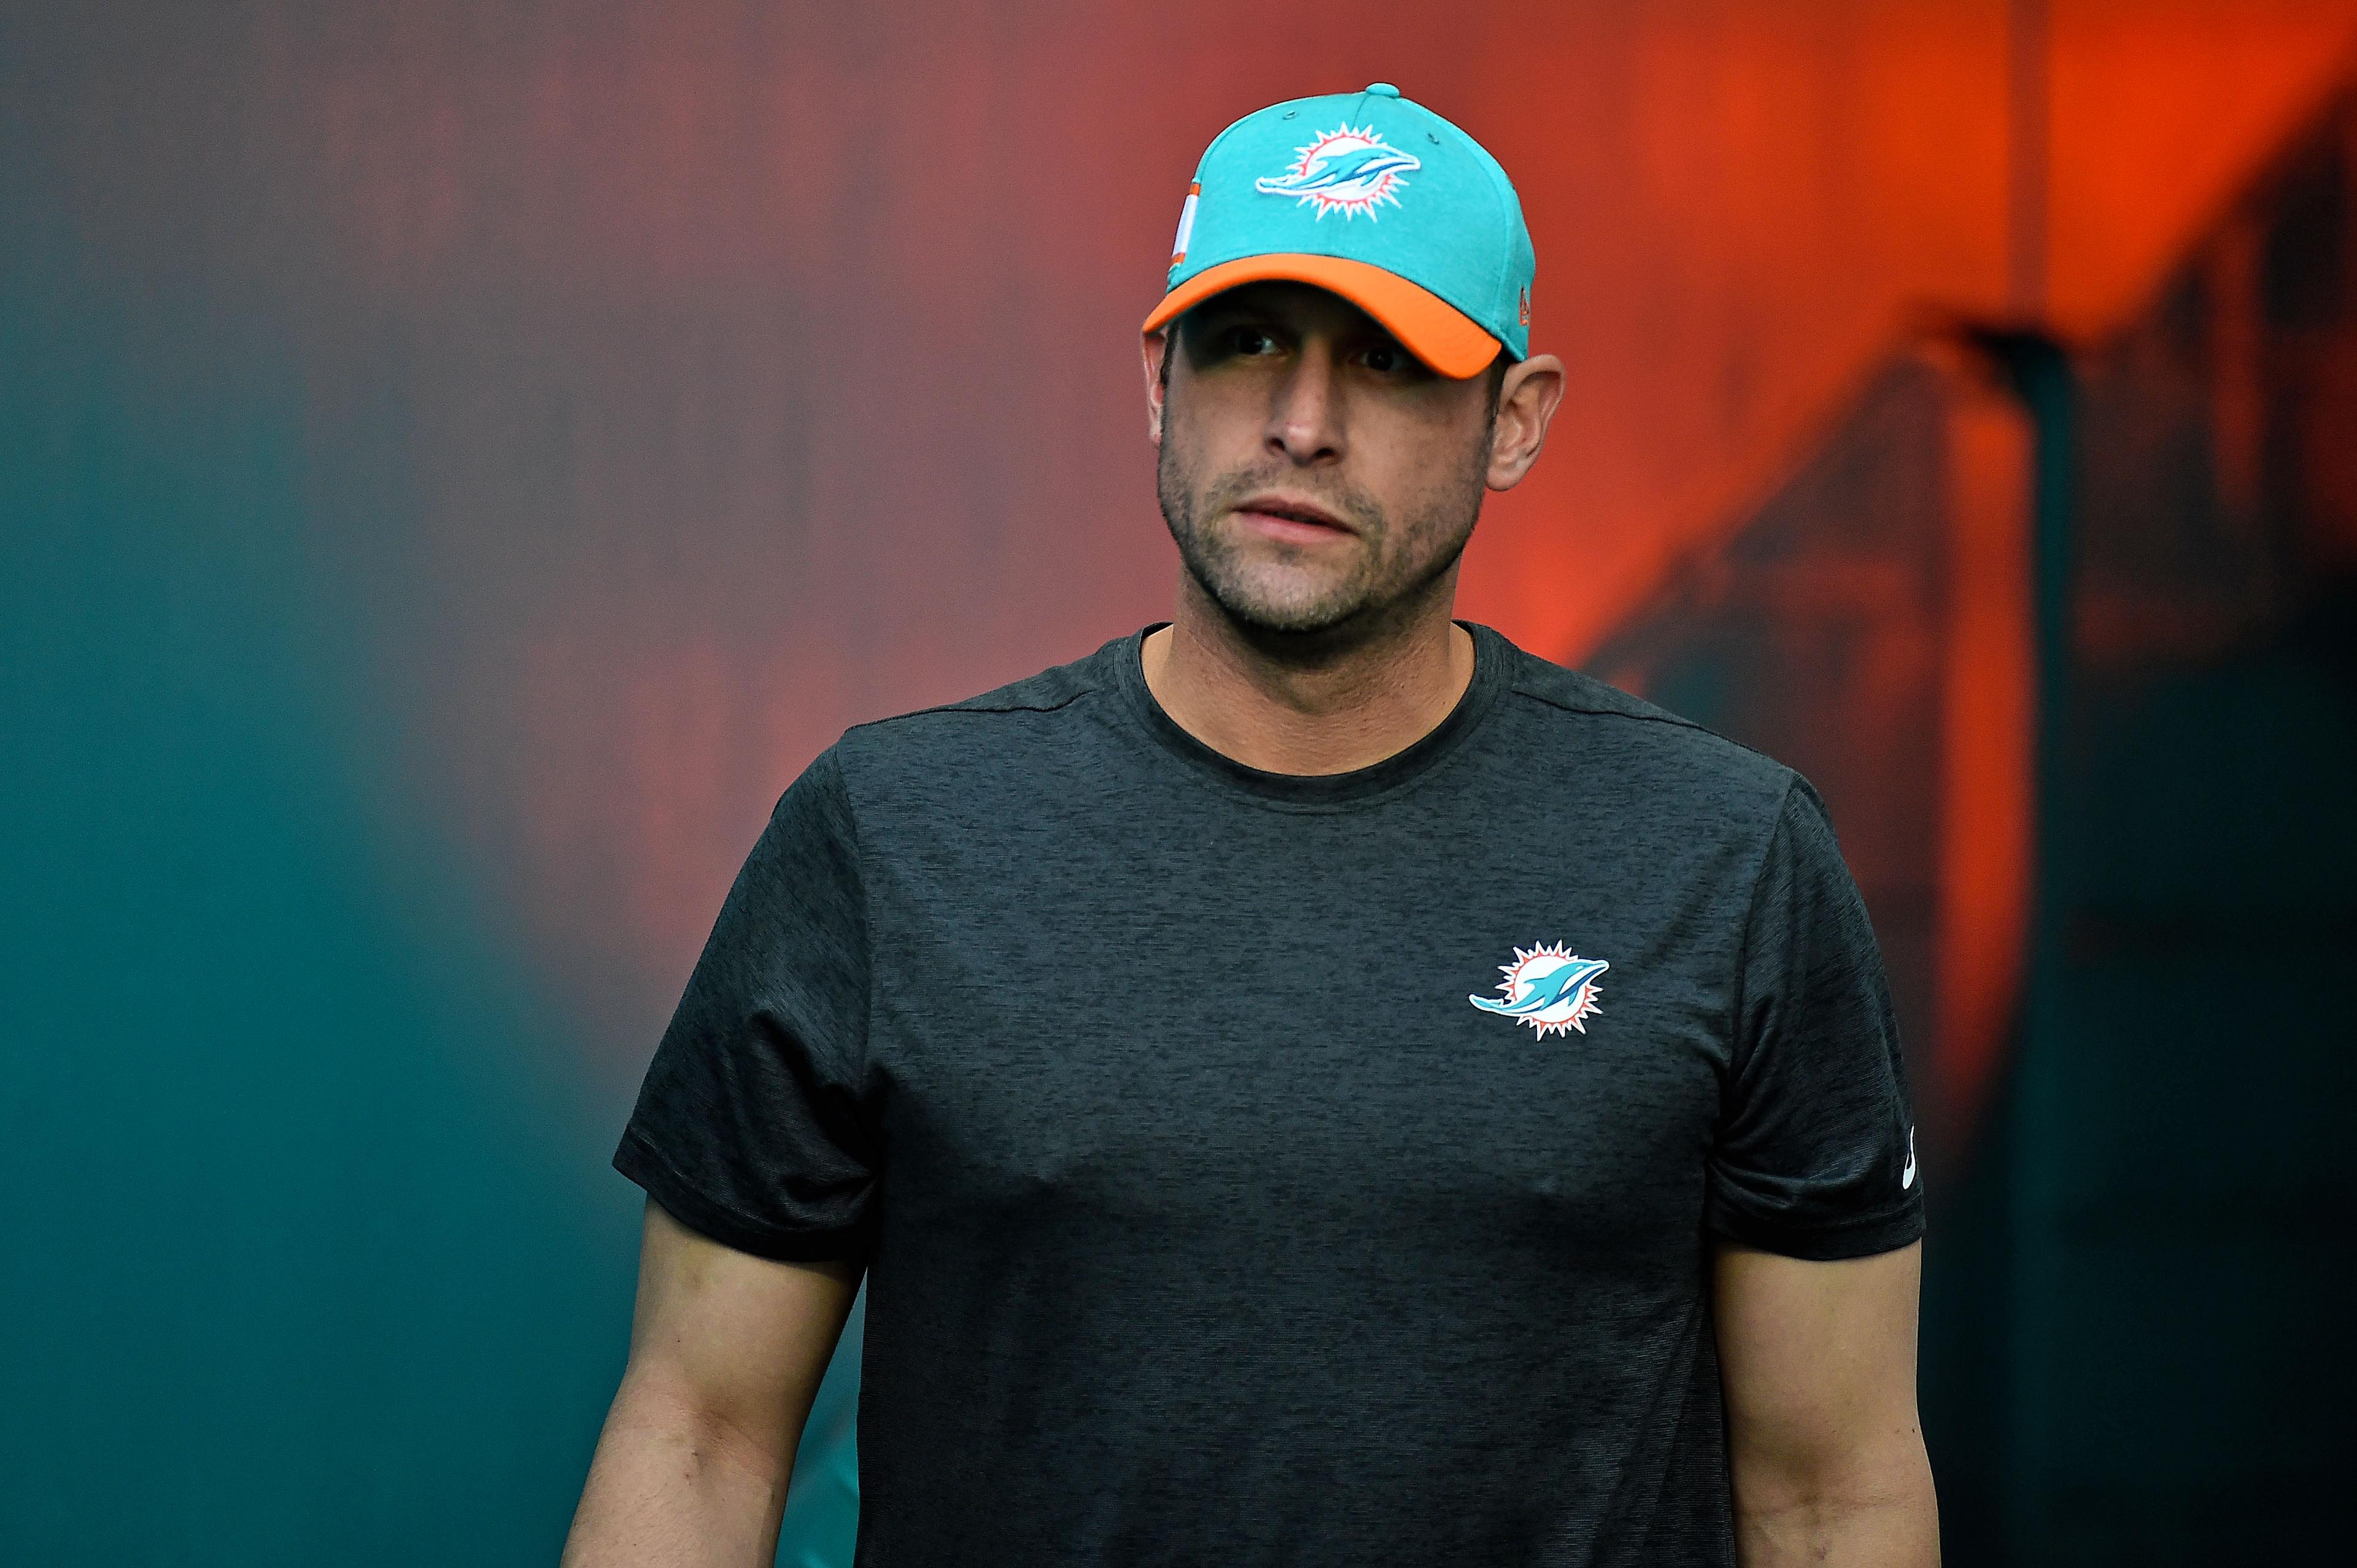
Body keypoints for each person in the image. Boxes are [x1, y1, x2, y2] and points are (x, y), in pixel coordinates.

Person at [562, 82, 1938, 1568]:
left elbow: (1828, 1491)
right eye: (1249, 343)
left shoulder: (1724, 861)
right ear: (1160, 380)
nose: (1302, 425)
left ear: (1517, 421)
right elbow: (699, 1431)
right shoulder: (893, 836)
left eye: (1390, 362)